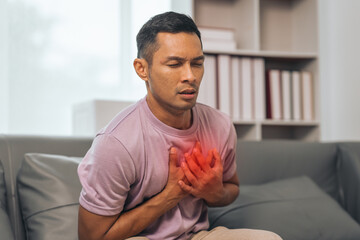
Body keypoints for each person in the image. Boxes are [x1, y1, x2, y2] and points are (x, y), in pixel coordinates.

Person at [77, 11, 282, 240]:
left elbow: (231, 188)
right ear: (142, 69)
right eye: (175, 64)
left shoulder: (220, 125)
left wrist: (214, 192)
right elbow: (91, 237)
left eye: (197, 63)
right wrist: (170, 196)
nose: (190, 76)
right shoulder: (115, 143)